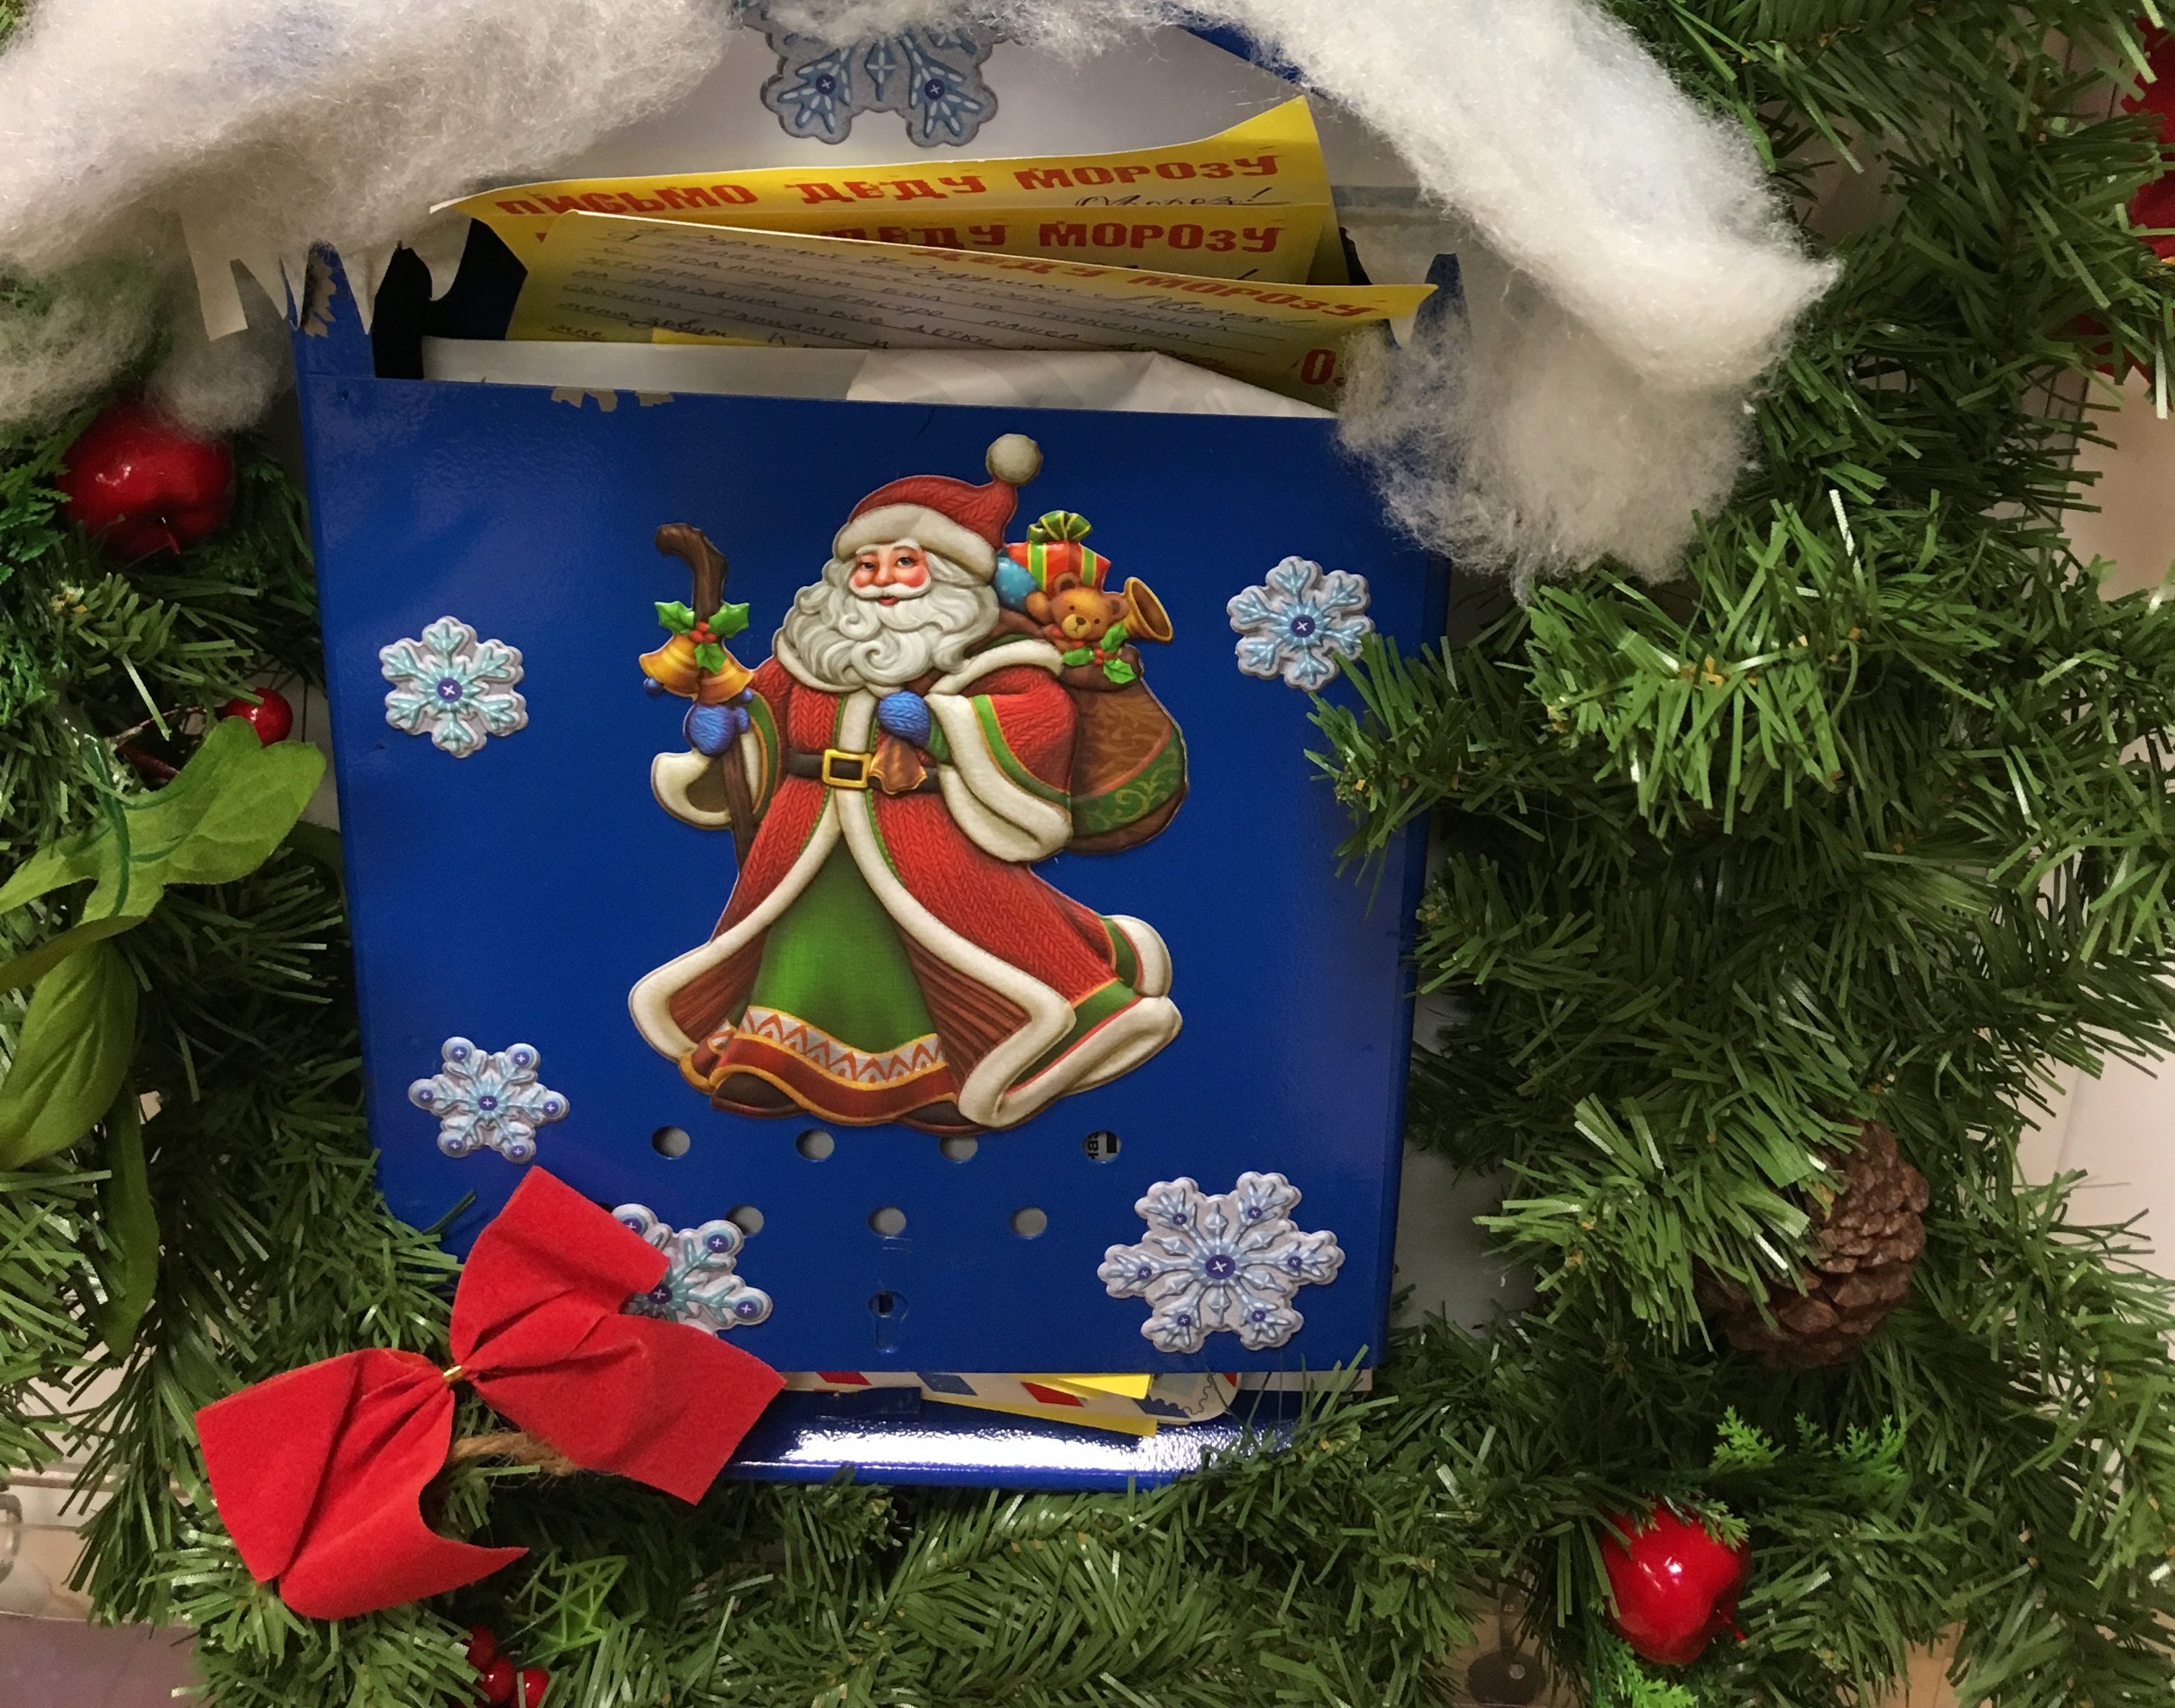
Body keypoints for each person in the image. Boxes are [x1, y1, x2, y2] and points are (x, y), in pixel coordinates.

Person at [629, 434, 1180, 1136]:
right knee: (799, 945)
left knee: (945, 950)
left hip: (921, 835)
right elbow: (765, 714)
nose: (882, 578)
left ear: (944, 576)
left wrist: (944, 724)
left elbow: (1040, 718)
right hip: (805, 827)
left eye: (904, 562)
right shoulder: (809, 657)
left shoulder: (986, 655)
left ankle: (935, 1073)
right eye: (867, 565)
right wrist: (730, 732)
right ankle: (770, 1060)